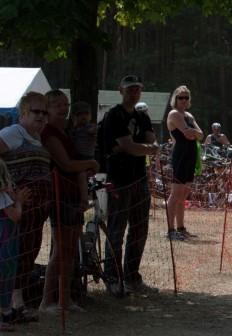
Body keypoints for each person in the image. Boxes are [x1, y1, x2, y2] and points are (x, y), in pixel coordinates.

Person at [39, 90, 99, 313]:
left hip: (73, 195)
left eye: (66, 104)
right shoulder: (49, 133)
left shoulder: (65, 132)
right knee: (60, 251)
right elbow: (66, 164)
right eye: (57, 105)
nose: (63, 109)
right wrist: (91, 164)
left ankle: (65, 300)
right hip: (60, 196)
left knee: (70, 250)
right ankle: (46, 302)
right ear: (47, 109)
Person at [101, 75, 159, 297]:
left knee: (140, 229)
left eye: (137, 89)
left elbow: (152, 143)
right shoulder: (114, 115)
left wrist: (139, 147)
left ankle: (132, 277)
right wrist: (142, 148)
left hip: (139, 179)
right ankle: (112, 278)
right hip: (118, 180)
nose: (134, 92)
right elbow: (129, 147)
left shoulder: (142, 116)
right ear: (121, 90)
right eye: (130, 89)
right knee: (116, 229)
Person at [0, 91, 51, 323]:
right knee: (11, 257)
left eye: (44, 113)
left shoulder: (37, 138)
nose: (41, 116)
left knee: (27, 254)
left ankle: (16, 304)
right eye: (35, 111)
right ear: (23, 113)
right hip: (13, 212)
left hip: (34, 214)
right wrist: (10, 192)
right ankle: (8, 308)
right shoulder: (13, 133)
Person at [165, 86, 203, 241]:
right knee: (175, 194)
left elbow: (200, 135)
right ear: (175, 98)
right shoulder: (174, 114)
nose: (183, 100)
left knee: (183, 195)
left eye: (186, 97)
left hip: (191, 156)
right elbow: (188, 134)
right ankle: (170, 230)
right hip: (180, 156)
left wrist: (193, 133)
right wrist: (193, 133)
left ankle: (181, 228)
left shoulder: (188, 115)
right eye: (180, 97)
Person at [0, 160, 30, 331]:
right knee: (4, 275)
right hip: (5, 241)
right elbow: (15, 215)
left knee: (7, 275)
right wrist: (19, 201)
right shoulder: (2, 197)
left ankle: (6, 311)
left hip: (7, 241)